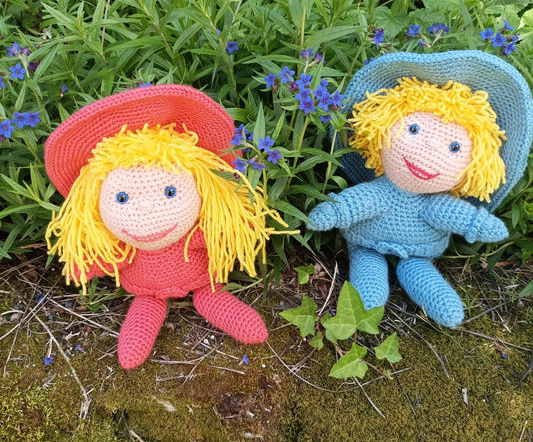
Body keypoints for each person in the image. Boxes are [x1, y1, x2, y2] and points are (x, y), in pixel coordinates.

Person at [45, 84, 284, 368]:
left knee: (210, 295)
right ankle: (138, 337)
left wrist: (234, 229)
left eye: (170, 192)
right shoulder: (125, 244)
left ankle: (226, 310)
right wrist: (87, 265)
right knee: (147, 306)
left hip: (202, 280)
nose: (146, 208)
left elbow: (216, 235)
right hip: (148, 290)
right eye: (122, 198)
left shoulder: (192, 231)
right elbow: (110, 257)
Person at [308, 51, 533, 327]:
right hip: (367, 243)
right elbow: (358, 202)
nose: (430, 149)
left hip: (419, 253)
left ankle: (427, 290)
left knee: (418, 272)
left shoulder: (434, 203)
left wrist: (478, 223)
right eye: (413, 129)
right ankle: (367, 304)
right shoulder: (381, 191)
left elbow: (456, 215)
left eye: (454, 147)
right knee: (368, 272)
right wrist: (334, 211)